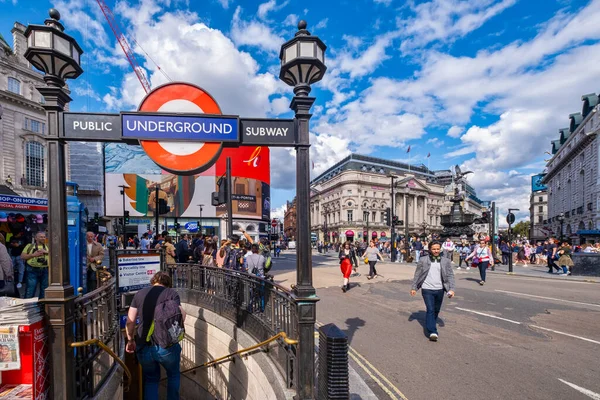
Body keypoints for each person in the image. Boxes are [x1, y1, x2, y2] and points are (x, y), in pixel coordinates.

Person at [126, 271, 186, 400]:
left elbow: (130, 322)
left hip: (143, 345)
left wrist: (130, 340)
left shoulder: (139, 294)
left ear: (153, 281)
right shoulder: (171, 294)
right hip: (166, 345)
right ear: (168, 283)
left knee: (151, 380)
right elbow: (182, 315)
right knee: (173, 375)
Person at [410, 241, 456, 341]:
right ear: (430, 249)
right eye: (434, 249)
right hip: (427, 289)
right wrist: (414, 288)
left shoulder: (445, 261)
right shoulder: (423, 260)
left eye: (437, 249)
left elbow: (450, 275)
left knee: (436, 310)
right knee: (430, 309)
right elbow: (417, 275)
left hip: (440, 289)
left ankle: (430, 324)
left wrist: (452, 289)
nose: (436, 251)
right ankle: (432, 331)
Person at [21, 232, 49, 299]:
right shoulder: (29, 246)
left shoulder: (48, 246)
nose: (43, 238)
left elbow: (56, 255)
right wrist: (33, 255)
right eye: (41, 237)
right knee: (30, 290)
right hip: (32, 270)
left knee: (44, 290)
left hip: (45, 270)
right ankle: (28, 307)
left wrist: (46, 252)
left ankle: (42, 307)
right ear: (36, 238)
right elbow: (22, 256)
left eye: (44, 237)